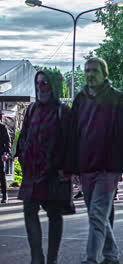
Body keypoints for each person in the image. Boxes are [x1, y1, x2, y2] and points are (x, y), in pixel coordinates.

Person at [67, 57, 123, 264]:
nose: (90, 74)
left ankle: (91, 259)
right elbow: (73, 134)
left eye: (94, 71)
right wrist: (70, 167)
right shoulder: (80, 100)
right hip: (86, 165)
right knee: (96, 213)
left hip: (109, 167)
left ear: (104, 74)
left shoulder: (119, 99)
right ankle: (111, 255)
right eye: (87, 70)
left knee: (97, 214)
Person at [16, 70, 72, 264]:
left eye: (45, 83)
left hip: (54, 173)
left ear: (53, 86)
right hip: (32, 172)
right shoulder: (31, 109)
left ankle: (52, 259)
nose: (40, 87)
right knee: (29, 212)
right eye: (38, 83)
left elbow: (71, 142)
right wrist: (23, 157)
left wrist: (66, 168)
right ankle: (37, 257)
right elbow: (23, 136)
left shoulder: (62, 110)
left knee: (54, 216)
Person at [0, 111, 10, 204]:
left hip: (1, 154)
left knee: (1, 175)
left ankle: (4, 194)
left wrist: (6, 153)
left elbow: (7, 142)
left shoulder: (3, 128)